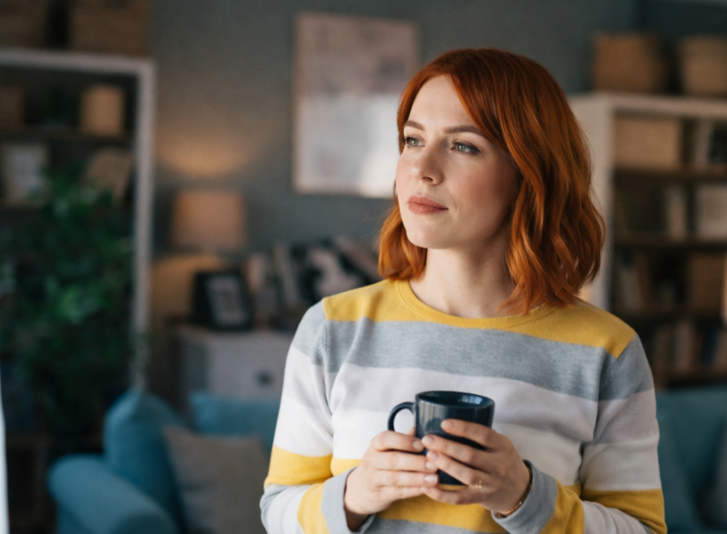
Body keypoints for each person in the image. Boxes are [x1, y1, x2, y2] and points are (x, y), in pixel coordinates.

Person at [260, 48, 665, 534]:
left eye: (463, 146)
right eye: (412, 140)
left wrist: (525, 497)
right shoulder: (332, 330)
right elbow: (279, 511)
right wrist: (354, 494)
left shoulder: (608, 352)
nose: (421, 168)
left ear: (528, 176)